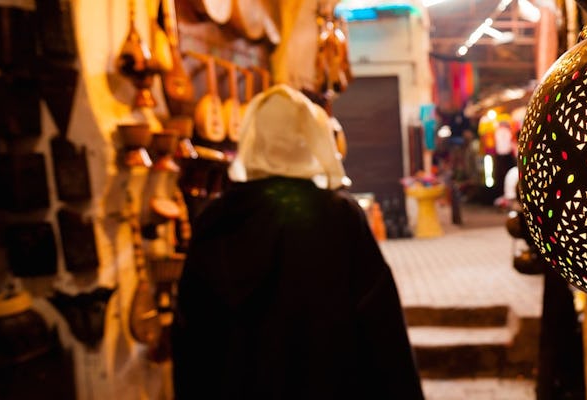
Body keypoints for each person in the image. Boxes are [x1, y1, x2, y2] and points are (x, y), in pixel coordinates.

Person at [172, 85, 424, 399]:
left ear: (252, 138)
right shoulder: (339, 217)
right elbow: (381, 327)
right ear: (309, 140)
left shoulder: (217, 220)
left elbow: (192, 335)